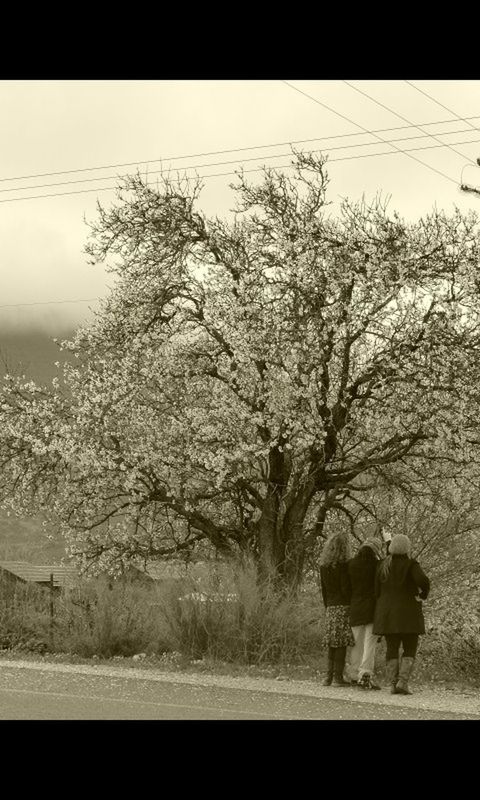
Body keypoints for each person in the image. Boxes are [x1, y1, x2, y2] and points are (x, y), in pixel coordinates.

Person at [373, 533, 430, 695]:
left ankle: (393, 684)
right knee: (410, 647)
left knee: (392, 648)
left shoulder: (383, 565)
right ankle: (402, 682)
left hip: (387, 614)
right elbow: (424, 581)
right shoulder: (411, 565)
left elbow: (376, 591)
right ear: (407, 548)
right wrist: (422, 595)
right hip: (409, 613)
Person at [347, 537, 383, 690]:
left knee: (356, 642)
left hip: (355, 607)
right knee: (370, 643)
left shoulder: (351, 564)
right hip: (373, 608)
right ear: (376, 551)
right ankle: (365, 673)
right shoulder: (378, 565)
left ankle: (354, 674)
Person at [320, 532, 354, 687]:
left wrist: (328, 606)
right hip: (343, 606)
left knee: (332, 643)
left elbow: (324, 590)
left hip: (331, 607)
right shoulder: (345, 565)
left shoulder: (324, 566)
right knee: (341, 644)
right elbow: (345, 588)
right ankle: (337, 677)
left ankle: (328, 676)